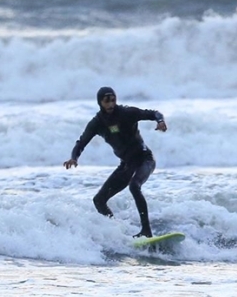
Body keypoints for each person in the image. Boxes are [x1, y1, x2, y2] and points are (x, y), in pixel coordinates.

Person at [63, 87, 167, 238]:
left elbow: (153, 113)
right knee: (99, 201)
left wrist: (160, 121)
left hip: (145, 159)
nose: (111, 104)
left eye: (113, 100)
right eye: (107, 101)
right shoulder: (97, 123)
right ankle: (118, 233)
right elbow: (81, 142)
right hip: (126, 164)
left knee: (134, 186)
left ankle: (146, 231)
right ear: (100, 102)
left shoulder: (127, 113)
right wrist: (74, 158)